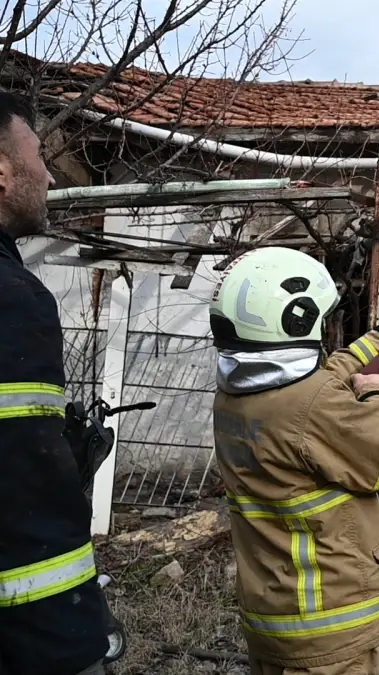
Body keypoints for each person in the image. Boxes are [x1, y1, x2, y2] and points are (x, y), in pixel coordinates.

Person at [210, 246, 379, 675]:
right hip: (332, 622)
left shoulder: (239, 397)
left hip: (278, 613)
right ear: (295, 319)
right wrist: (376, 395)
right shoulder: (310, 408)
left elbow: (327, 375)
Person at [0, 91, 110, 675]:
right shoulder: (13, 298)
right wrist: (70, 636)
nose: (47, 173)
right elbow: (23, 501)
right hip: (35, 635)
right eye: (38, 154)